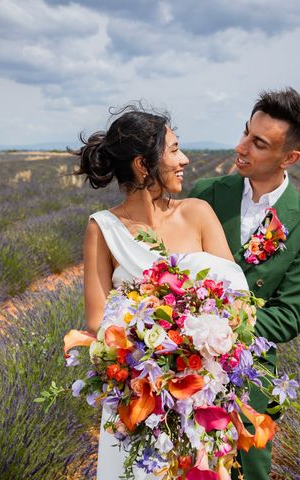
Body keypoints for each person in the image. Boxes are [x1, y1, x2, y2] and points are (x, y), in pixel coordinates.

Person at [72, 105, 249, 479]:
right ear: (142, 164)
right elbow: (97, 319)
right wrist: (160, 346)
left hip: (204, 394)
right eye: (173, 150)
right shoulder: (102, 228)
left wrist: (203, 339)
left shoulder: (198, 213)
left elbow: (240, 302)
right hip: (142, 396)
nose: (184, 159)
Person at [188, 87, 300, 480]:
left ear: (290, 158)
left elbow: (288, 318)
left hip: (247, 372)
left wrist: (220, 326)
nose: (240, 146)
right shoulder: (207, 194)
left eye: (258, 143)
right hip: (184, 364)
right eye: (245, 132)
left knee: (246, 470)